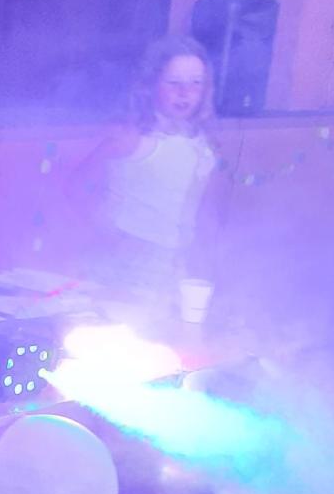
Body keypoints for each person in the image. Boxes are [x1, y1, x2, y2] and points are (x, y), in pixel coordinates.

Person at [71, 35, 226, 304]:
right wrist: (110, 233)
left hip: (175, 265)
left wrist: (207, 257)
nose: (185, 93)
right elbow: (76, 187)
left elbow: (206, 210)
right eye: (174, 83)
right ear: (151, 84)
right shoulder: (131, 137)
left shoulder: (203, 143)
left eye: (195, 83)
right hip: (124, 267)